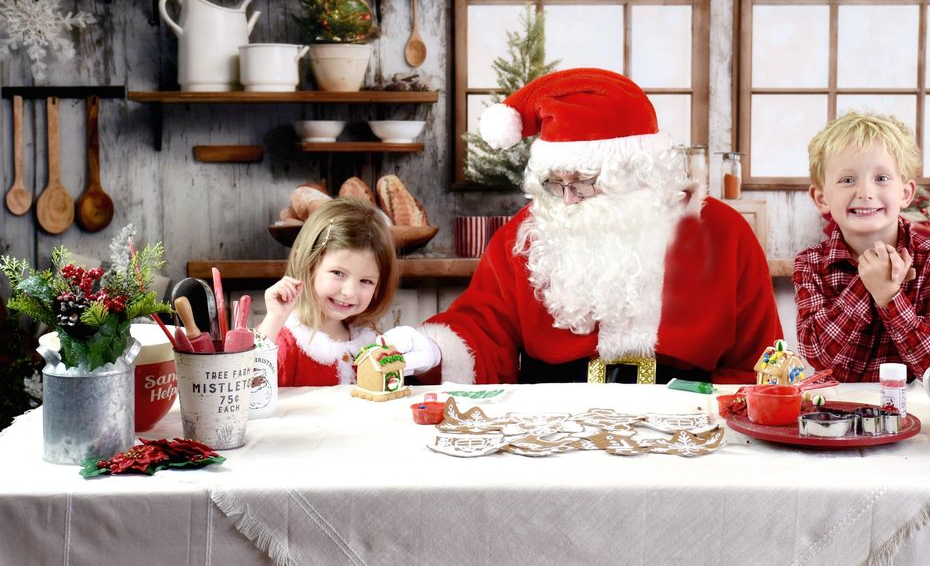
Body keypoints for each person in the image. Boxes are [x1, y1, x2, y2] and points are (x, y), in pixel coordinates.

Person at [383, 67, 784, 385]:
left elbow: (758, 364)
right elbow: (484, 327)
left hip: (686, 425)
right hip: (551, 427)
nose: (568, 200)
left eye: (583, 183)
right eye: (555, 185)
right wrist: (434, 349)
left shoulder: (724, 233)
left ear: (635, 173)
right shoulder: (528, 234)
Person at [793, 111, 930, 382]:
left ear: (905, 193)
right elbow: (817, 354)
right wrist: (866, 284)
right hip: (837, 410)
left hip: (915, 409)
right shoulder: (810, 263)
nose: (866, 192)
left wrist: (889, 296)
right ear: (822, 198)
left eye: (881, 178)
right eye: (848, 180)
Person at [258, 197, 399, 386]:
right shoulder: (287, 340)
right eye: (338, 273)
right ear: (308, 264)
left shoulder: (370, 341)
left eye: (366, 281)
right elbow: (247, 385)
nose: (349, 292)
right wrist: (274, 318)